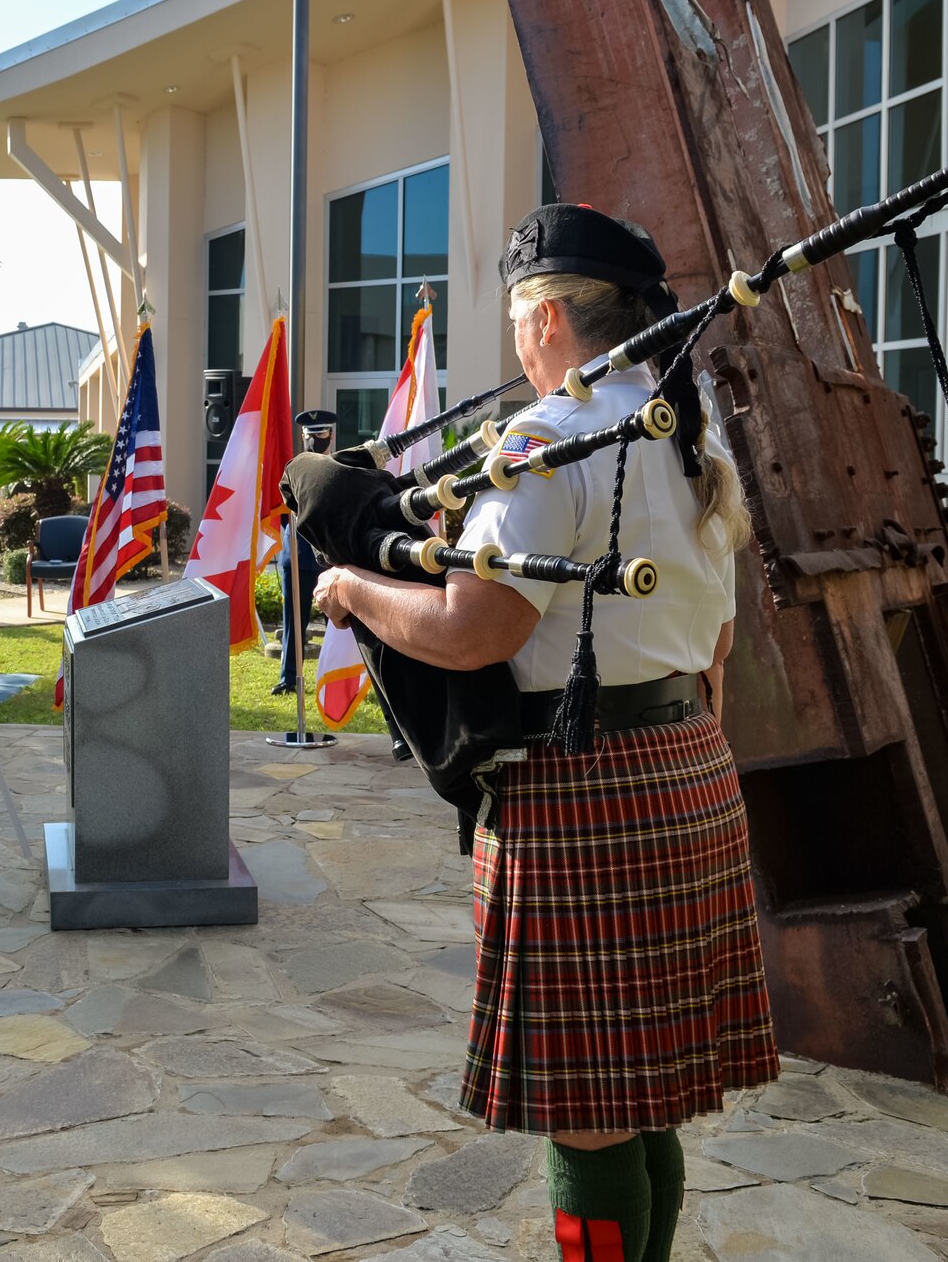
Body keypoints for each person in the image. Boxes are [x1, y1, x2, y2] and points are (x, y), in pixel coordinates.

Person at [312, 205, 776, 1262]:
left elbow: (474, 630)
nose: (517, 342)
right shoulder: (685, 438)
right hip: (687, 770)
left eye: (519, 318)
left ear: (547, 320)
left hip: (579, 789)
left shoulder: (547, 438)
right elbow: (715, 649)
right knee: (641, 1089)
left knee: (589, 1101)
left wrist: (351, 586)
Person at [271, 409, 335, 694]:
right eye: (309, 436)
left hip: (332, 557)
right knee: (293, 621)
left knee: (340, 622)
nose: (314, 440)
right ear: (302, 436)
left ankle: (338, 680)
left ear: (330, 436)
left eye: (319, 435)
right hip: (297, 555)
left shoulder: (339, 468)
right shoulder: (292, 469)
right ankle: (288, 677)